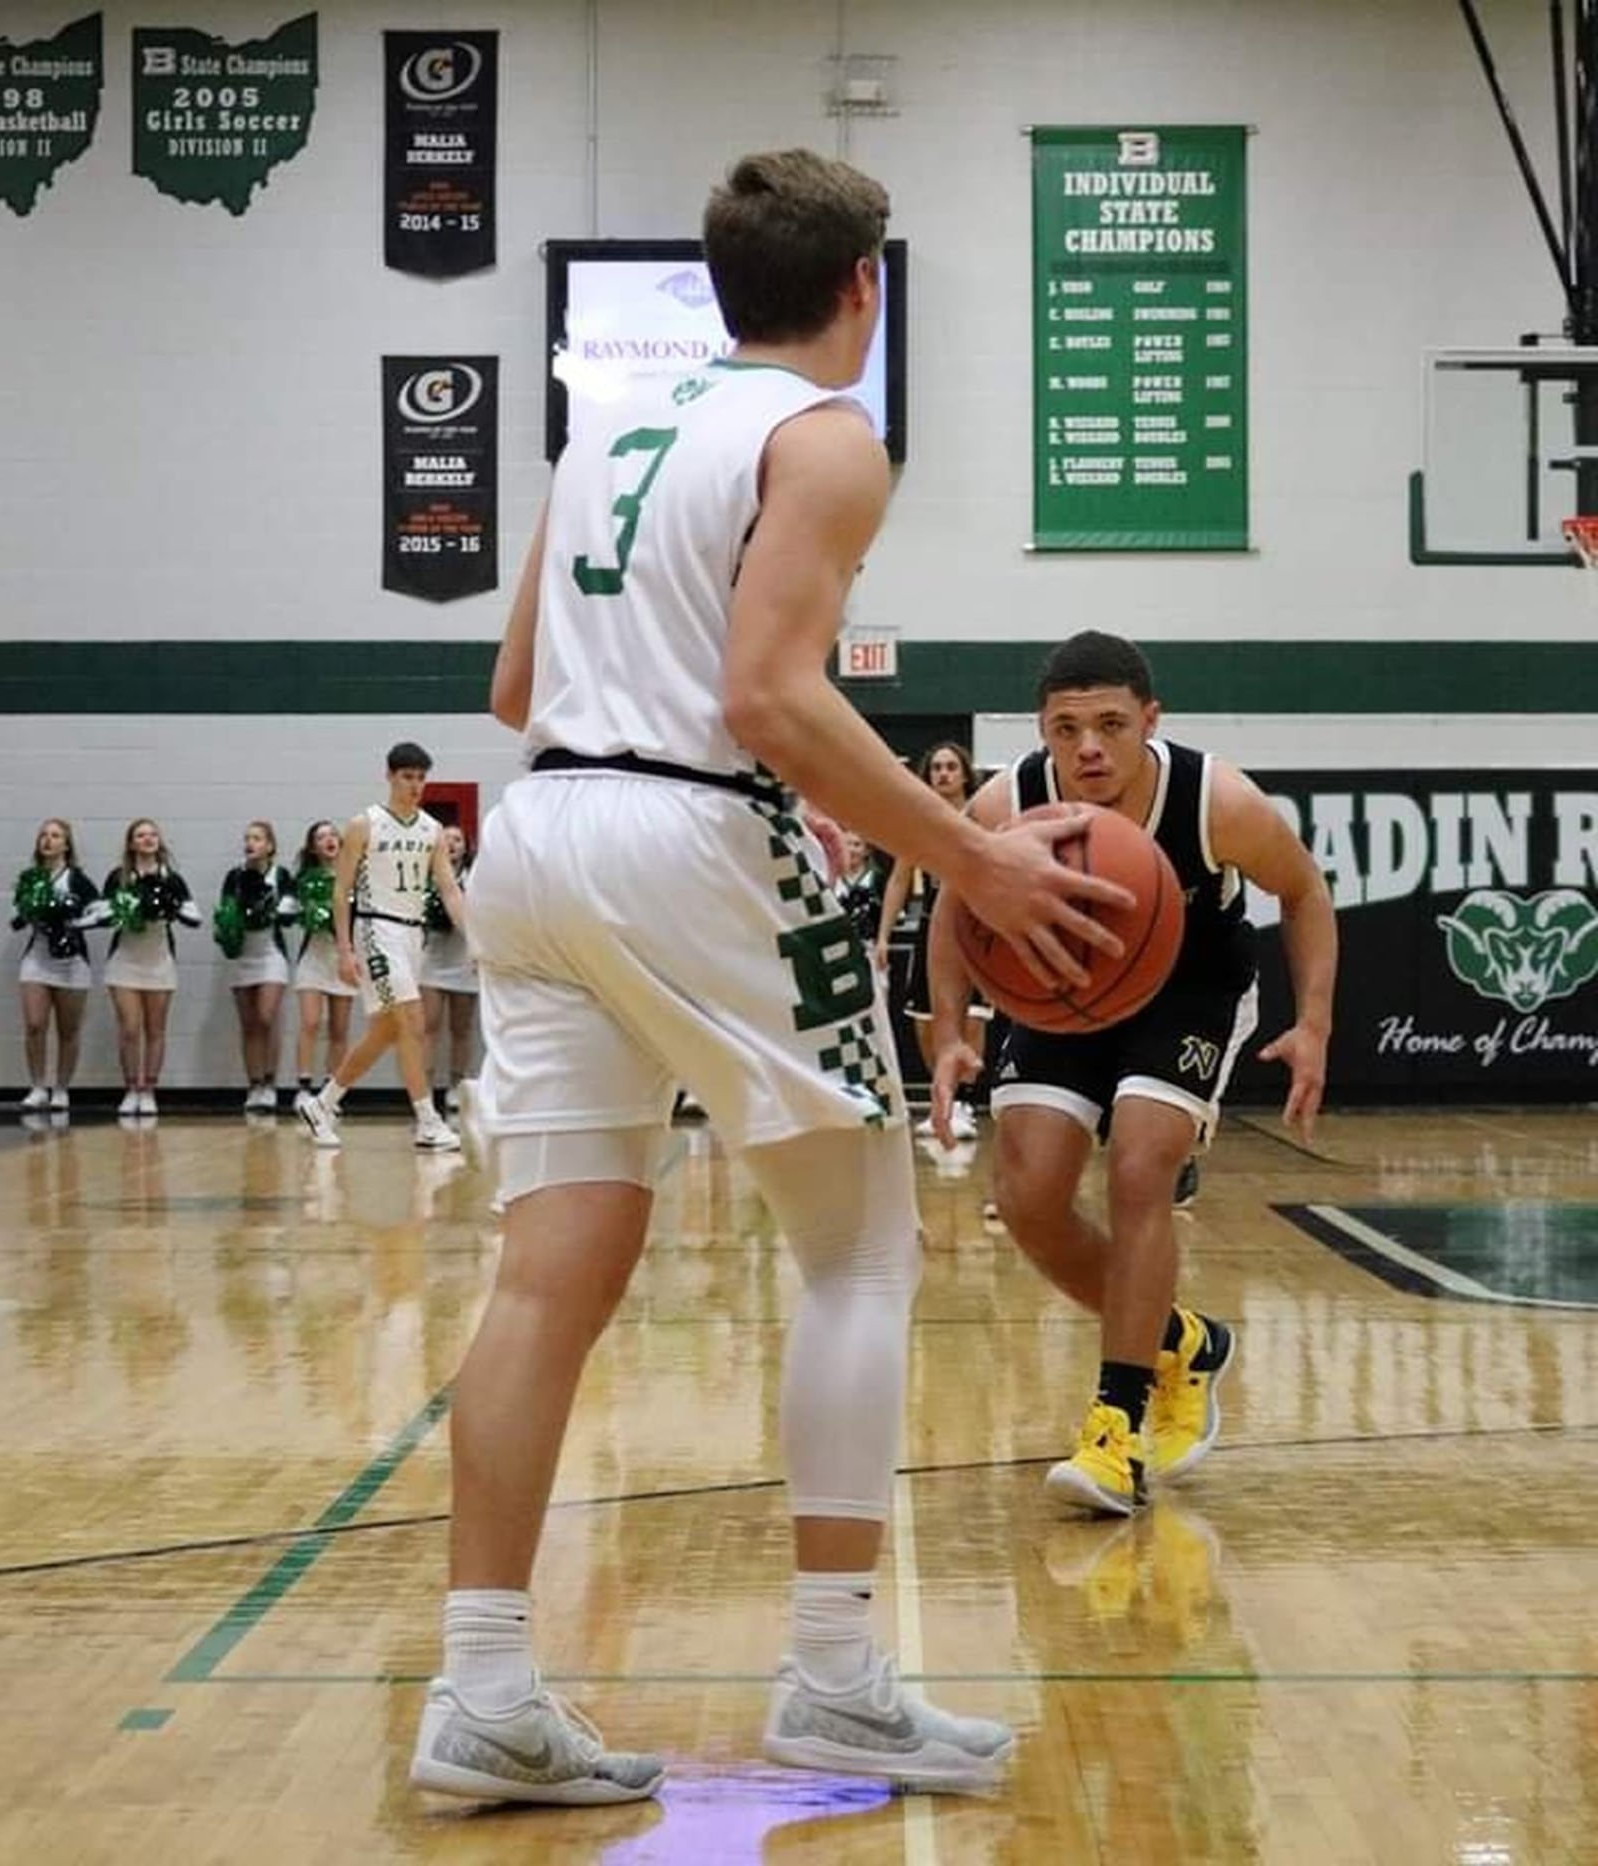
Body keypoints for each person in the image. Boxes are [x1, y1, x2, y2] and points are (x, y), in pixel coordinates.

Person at [407, 147, 1132, 1809]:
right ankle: (833, 1676)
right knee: (861, 1245)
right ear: (863, 290)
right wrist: (970, 853)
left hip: (537, 841)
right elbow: (764, 698)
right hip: (682, 839)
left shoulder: (599, 435)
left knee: (547, 1275)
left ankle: (485, 1691)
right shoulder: (829, 439)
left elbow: (519, 679)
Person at [929, 631, 1338, 1516]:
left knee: (1141, 1169)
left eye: (1110, 725)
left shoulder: (1215, 800)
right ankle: (1181, 1340)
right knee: (1030, 1201)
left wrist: (1313, 1023)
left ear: (1150, 721)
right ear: (1041, 732)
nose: (1087, 748)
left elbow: (1303, 890)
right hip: (1062, 990)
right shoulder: (1011, 802)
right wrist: (952, 1031)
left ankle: (1117, 1427)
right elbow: (955, 900)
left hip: (1187, 989)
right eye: (1064, 728)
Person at [296, 745, 466, 1153]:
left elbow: (448, 888)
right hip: (376, 929)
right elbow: (342, 892)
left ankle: (324, 1103)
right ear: (389, 776)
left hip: (412, 936)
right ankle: (427, 1120)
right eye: (408, 776)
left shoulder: (431, 830)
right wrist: (343, 949)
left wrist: (474, 939)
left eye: (421, 778)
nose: (415, 785)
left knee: (389, 1029)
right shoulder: (364, 824)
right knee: (411, 1021)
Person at [875, 743, 991, 1141]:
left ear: (964, 774)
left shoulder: (983, 815)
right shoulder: (918, 821)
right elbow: (899, 880)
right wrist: (884, 936)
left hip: (977, 923)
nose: (943, 773)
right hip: (931, 924)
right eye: (936, 767)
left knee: (973, 1017)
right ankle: (942, 1096)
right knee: (926, 1023)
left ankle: (964, 1103)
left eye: (950, 767)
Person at [100, 818, 201, 1117]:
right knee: (130, 1029)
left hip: (158, 961)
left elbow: (192, 915)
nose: (148, 839)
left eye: (153, 834)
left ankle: (149, 1091)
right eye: (141, 835)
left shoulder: (172, 878)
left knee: (155, 1029)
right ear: (131, 843)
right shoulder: (119, 877)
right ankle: (131, 1087)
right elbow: (103, 914)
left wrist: (176, 909)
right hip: (124, 961)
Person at [11, 818, 98, 1111]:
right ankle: (37, 1085)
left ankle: (61, 1088)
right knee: (35, 1025)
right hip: (37, 958)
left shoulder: (77, 879)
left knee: (68, 1029)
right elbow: (18, 914)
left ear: (66, 843)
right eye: (44, 836)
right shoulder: (30, 877)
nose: (48, 840)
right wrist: (29, 913)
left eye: (55, 835)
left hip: (72, 962)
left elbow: (100, 911)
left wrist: (74, 921)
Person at [215, 821, 298, 1112]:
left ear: (270, 846)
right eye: (247, 838)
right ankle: (255, 1084)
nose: (251, 843)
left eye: (258, 838)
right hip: (244, 956)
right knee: (249, 1024)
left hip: (271, 955)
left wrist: (276, 909)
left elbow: (290, 910)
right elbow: (224, 912)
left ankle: (271, 1081)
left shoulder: (281, 875)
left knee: (266, 1017)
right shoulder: (234, 877)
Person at [290, 820, 356, 1109]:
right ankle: (304, 1086)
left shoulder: (355, 877)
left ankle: (332, 1090)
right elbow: (290, 910)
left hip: (343, 959)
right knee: (310, 1022)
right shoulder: (305, 880)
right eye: (321, 837)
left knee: (339, 1029)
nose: (328, 840)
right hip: (314, 958)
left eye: (332, 835)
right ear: (313, 847)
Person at [419, 824, 478, 1114]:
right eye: (447, 839)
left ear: (465, 847)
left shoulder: (476, 878)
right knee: (428, 1027)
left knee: (461, 1028)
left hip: (463, 960)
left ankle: (456, 1086)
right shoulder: (425, 878)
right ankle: (425, 1092)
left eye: (458, 839)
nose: (452, 844)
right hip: (431, 959)